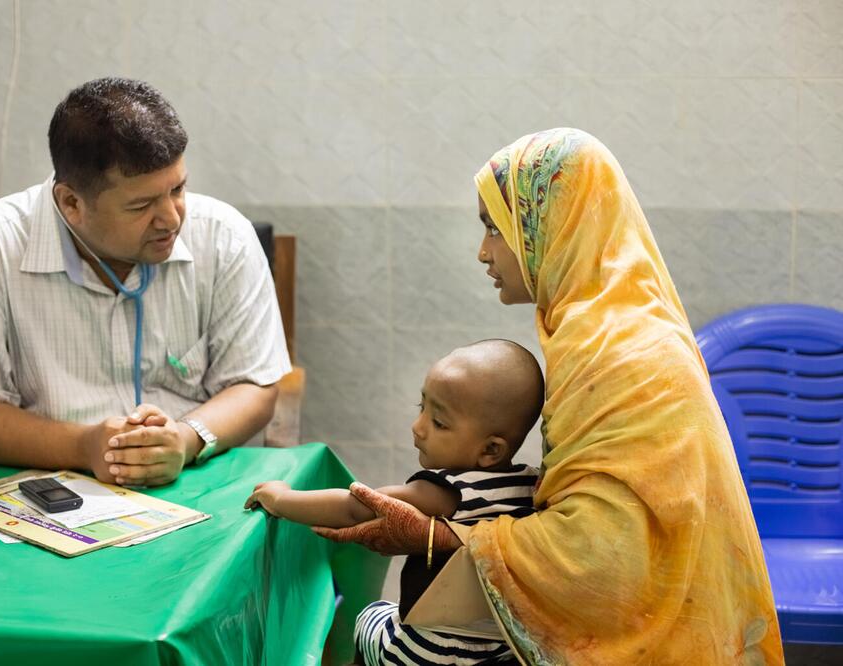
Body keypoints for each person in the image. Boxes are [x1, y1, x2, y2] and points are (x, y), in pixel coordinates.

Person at [315, 128, 785, 664]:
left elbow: (604, 553)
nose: (482, 252)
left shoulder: (607, 346)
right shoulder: (610, 318)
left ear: (553, 226)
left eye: (496, 228)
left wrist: (439, 537)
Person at [0, 78, 291, 487]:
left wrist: (185, 439)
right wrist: (84, 446)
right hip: (46, 486)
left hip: (193, 479)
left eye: (178, 189)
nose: (172, 219)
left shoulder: (225, 235)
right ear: (71, 203)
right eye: (142, 205)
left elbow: (255, 384)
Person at [246, 339, 543, 665]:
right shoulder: (531, 486)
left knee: (370, 618)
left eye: (439, 422)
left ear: (490, 450)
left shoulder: (445, 491)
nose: (418, 428)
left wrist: (281, 498)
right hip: (502, 649)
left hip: (430, 650)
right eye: (421, 408)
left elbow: (355, 506)